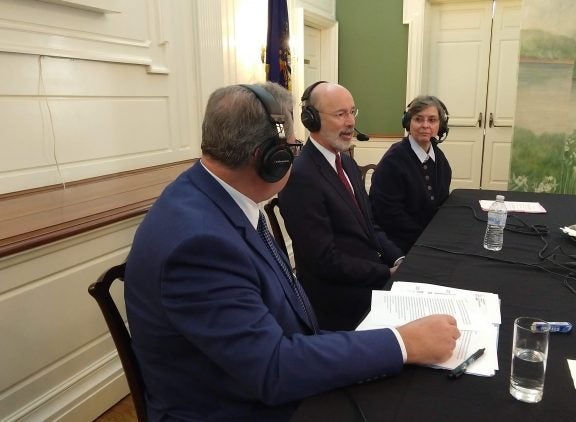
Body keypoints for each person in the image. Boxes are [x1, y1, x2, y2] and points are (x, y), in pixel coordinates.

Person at [124, 82, 461, 421]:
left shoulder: (218, 196)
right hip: (236, 407)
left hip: (268, 371)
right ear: (271, 157)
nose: (294, 152)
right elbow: (273, 369)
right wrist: (403, 343)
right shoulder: (199, 245)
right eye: (291, 145)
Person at [278, 81, 405, 331]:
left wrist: (400, 258)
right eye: (340, 114)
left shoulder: (346, 163)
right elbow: (324, 260)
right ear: (311, 120)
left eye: (352, 112)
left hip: (367, 278)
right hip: (339, 300)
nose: (350, 122)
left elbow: (371, 226)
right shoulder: (301, 177)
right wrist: (385, 273)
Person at [369, 95, 452, 253]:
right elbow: (389, 214)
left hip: (429, 238)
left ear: (441, 126)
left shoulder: (440, 159)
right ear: (408, 123)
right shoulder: (393, 160)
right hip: (400, 242)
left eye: (432, 120)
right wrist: (426, 238)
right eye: (418, 119)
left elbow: (442, 201)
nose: (425, 125)